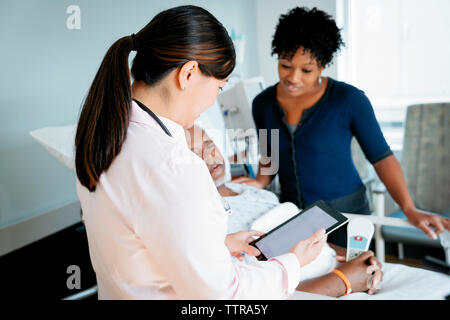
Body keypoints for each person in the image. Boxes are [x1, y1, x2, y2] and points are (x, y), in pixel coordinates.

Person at [74, 5, 327, 300]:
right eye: (219, 88)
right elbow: (224, 294)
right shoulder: (173, 164)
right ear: (189, 73)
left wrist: (216, 247)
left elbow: (139, 246)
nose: (211, 103)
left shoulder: (101, 137)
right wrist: (293, 263)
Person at [233, 6, 450, 247]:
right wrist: (261, 181)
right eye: (285, 65)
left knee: (354, 278)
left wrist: (409, 208)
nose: (293, 78)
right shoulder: (262, 103)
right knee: (303, 281)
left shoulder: (349, 100)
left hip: (348, 217)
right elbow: (270, 153)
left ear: (323, 65)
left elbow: (382, 158)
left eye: (306, 70)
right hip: (294, 218)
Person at [185, 124, 383, 297]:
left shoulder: (252, 192)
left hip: (336, 265)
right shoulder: (203, 216)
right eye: (194, 154)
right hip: (321, 284)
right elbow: (255, 292)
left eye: (210, 145)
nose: (209, 156)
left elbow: (296, 235)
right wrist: (344, 279)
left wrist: (353, 258)